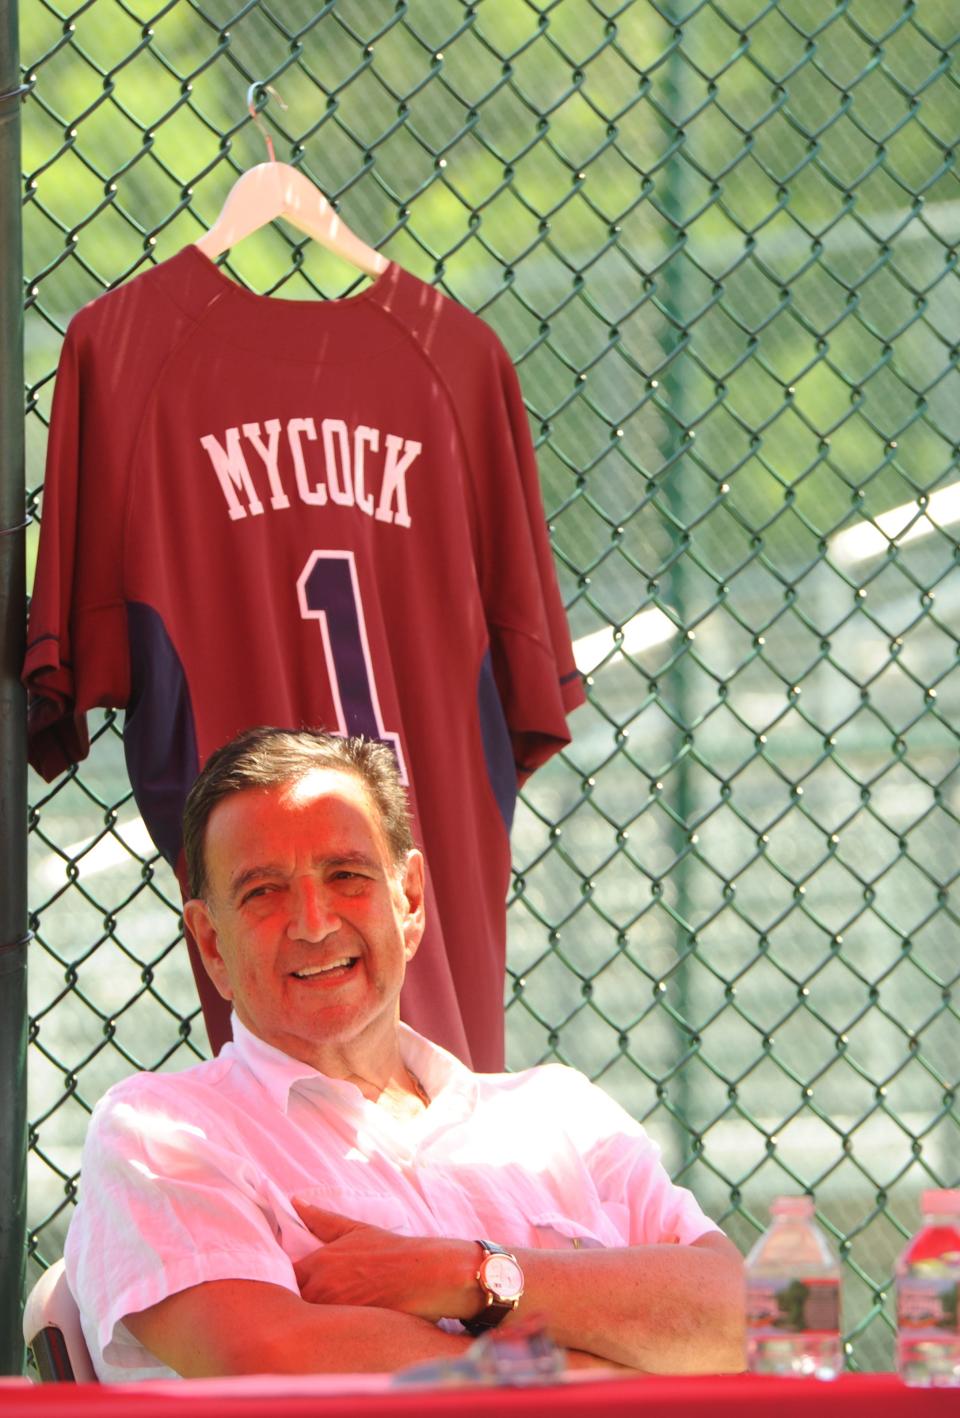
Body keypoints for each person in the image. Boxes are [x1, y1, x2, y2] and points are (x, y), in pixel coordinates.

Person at [64, 727, 745, 1381]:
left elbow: (743, 1321)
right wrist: (627, 1378)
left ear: (410, 899)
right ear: (211, 944)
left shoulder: (561, 1113)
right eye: (263, 891)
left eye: (346, 875)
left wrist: (460, 1276)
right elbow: (277, 1363)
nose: (313, 922)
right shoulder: (165, 1132)